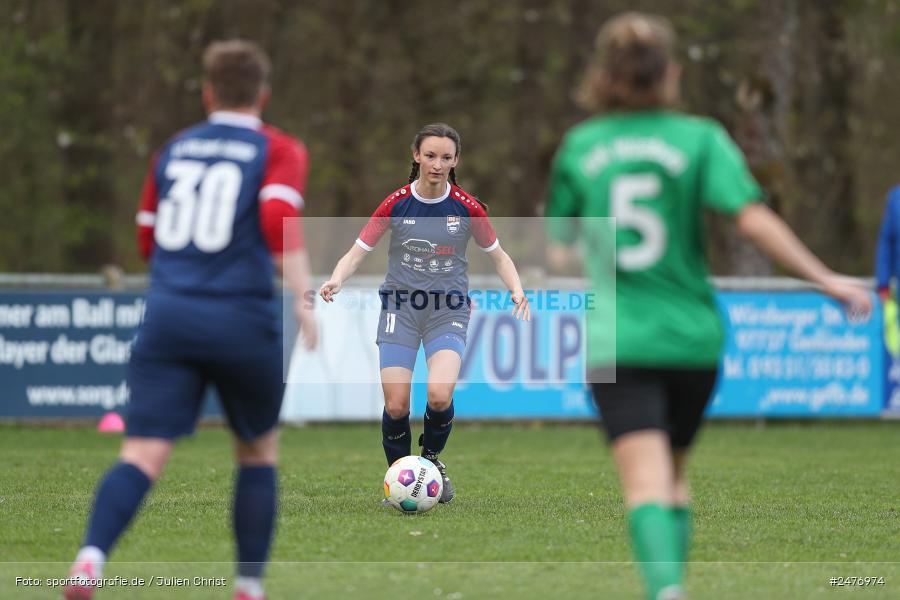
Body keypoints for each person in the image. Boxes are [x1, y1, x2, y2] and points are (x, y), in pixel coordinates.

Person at [544, 13, 872, 600]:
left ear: (603, 76)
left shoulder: (581, 147)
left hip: (621, 340)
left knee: (646, 485)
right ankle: (672, 587)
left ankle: (666, 590)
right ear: (670, 73)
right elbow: (752, 220)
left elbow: (558, 250)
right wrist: (825, 279)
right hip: (692, 338)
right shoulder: (700, 139)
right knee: (674, 476)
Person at [64, 40, 317, 600]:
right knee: (257, 451)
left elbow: (146, 239)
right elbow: (277, 214)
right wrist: (304, 294)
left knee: (141, 453)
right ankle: (247, 585)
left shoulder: (173, 150)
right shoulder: (278, 148)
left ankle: (89, 559)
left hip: (169, 317)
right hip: (242, 319)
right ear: (263, 95)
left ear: (207, 93)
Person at [319, 123, 530, 503]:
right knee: (397, 404)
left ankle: (430, 463)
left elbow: (499, 257)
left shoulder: (467, 208)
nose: (437, 164)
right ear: (416, 155)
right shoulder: (396, 203)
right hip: (400, 309)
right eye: (430, 156)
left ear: (456, 161)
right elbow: (357, 252)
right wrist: (337, 278)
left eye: (446, 157)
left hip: (447, 310)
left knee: (438, 394)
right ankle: (398, 475)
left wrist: (516, 289)